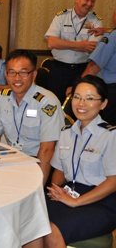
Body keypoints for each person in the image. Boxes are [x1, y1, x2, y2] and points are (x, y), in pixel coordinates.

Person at [41, 75, 116, 247]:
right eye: (77, 97)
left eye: (90, 99)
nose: (81, 104)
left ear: (103, 103)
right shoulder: (66, 132)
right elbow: (59, 170)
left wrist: (76, 201)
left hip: (102, 201)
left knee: (51, 230)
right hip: (69, 191)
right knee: (30, 220)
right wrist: (57, 190)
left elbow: (113, 182)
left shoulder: (111, 135)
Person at [0, 50, 64, 186]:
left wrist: (37, 187)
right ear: (6, 74)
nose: (17, 78)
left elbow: (47, 150)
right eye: (12, 72)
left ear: (34, 74)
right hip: (11, 160)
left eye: (23, 72)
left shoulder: (47, 102)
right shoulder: (2, 98)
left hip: (39, 163)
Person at [44, 0, 103, 104]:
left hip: (82, 71)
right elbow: (51, 42)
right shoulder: (61, 17)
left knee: (80, 105)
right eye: (86, 0)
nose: (89, 4)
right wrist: (80, 45)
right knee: (54, 104)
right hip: (59, 70)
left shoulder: (96, 21)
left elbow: (92, 47)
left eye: (93, 1)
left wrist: (63, 43)